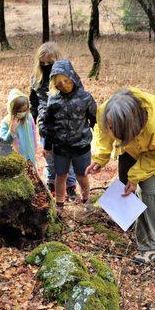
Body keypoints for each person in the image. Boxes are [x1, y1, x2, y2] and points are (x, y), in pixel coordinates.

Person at [86, 88, 155, 264]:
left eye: (116, 129)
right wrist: (100, 158)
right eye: (111, 125)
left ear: (130, 126)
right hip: (132, 140)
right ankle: (127, 219)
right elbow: (103, 133)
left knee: (149, 190)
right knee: (124, 176)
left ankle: (150, 245)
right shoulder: (108, 110)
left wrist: (135, 178)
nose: (111, 128)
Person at [40, 59, 97, 208]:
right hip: (61, 148)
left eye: (66, 81)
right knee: (61, 175)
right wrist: (47, 146)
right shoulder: (53, 100)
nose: (64, 86)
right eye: (59, 84)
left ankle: (86, 200)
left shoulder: (85, 97)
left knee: (82, 175)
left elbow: (95, 118)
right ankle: (59, 204)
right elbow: (48, 125)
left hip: (81, 146)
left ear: (72, 76)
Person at [29, 42, 78, 200]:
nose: (45, 66)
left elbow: (78, 98)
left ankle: (70, 188)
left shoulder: (66, 77)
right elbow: (34, 102)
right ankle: (51, 187)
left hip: (65, 124)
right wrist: (33, 120)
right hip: (45, 125)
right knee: (49, 158)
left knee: (66, 158)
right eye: (42, 63)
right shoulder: (36, 79)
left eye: (49, 63)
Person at [0, 89, 37, 168]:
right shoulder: (5, 122)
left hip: (30, 158)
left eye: (25, 110)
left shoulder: (29, 117)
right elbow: (3, 143)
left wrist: (34, 149)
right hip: (15, 161)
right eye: (19, 111)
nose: (22, 113)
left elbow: (33, 134)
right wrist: (11, 130)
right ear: (12, 109)